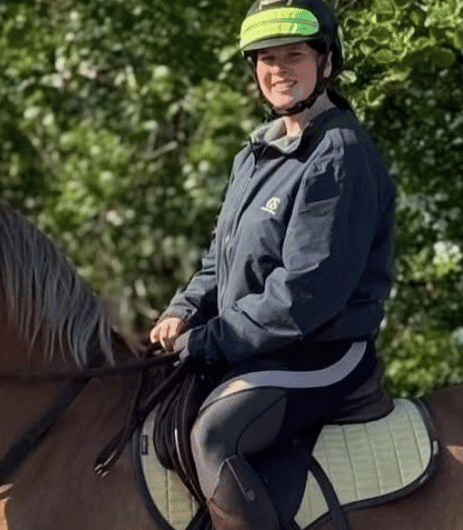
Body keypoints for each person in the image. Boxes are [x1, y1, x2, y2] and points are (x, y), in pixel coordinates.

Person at [149, 0, 395, 528]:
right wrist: (184, 310)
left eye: (294, 56)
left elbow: (305, 293)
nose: (279, 69)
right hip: (257, 347)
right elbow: (220, 261)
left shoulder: (339, 153)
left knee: (214, 435)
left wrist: (211, 340)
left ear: (326, 61)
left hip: (321, 351)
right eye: (267, 58)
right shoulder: (255, 154)